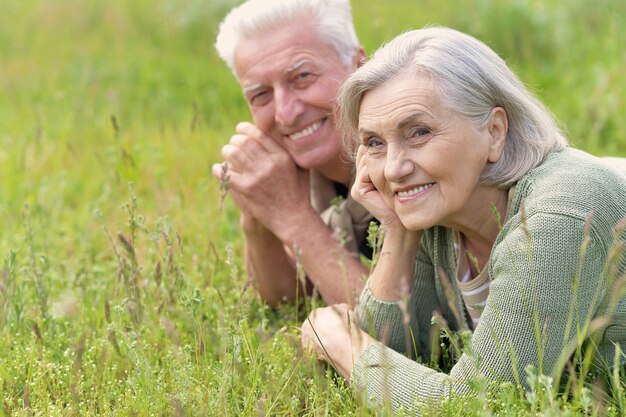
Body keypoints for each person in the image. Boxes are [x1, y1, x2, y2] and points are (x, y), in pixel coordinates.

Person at [301, 26, 626, 413]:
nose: (392, 169)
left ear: (494, 132)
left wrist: (344, 343)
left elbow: (478, 406)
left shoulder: (564, 212)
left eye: (419, 132)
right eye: (374, 143)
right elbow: (398, 352)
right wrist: (398, 230)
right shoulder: (442, 209)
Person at [212, 0, 371, 307]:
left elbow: (396, 325)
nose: (285, 114)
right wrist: (257, 215)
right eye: (261, 95)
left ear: (358, 66)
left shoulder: (407, 151)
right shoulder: (304, 167)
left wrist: (294, 219)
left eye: (302, 77)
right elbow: (287, 299)